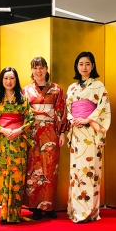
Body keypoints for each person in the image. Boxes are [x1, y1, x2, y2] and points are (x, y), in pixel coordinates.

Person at [0, 67, 35, 224]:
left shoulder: (23, 99)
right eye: (6, 78)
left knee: (18, 177)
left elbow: (30, 118)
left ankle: (15, 213)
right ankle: (5, 213)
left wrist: (19, 130)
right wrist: (3, 130)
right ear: (1, 80)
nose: (9, 81)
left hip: (19, 143)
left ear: (16, 80)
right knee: (4, 175)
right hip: (3, 142)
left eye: (12, 78)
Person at [66, 51, 111, 223]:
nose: (84, 67)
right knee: (76, 172)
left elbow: (103, 108)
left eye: (87, 64)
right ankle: (75, 210)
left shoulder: (99, 86)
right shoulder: (72, 88)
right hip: (76, 132)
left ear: (93, 66)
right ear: (77, 67)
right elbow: (67, 110)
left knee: (90, 171)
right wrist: (72, 119)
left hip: (91, 132)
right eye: (81, 64)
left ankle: (90, 211)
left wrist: (87, 119)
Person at [22, 57, 67, 220]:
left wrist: (62, 132)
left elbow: (61, 112)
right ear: (32, 70)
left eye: (41, 67)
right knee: (33, 169)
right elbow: (24, 112)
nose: (38, 71)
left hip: (51, 132)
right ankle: (35, 207)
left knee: (50, 169)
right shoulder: (26, 90)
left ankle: (49, 207)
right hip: (32, 133)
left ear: (47, 69)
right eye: (35, 68)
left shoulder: (56, 90)